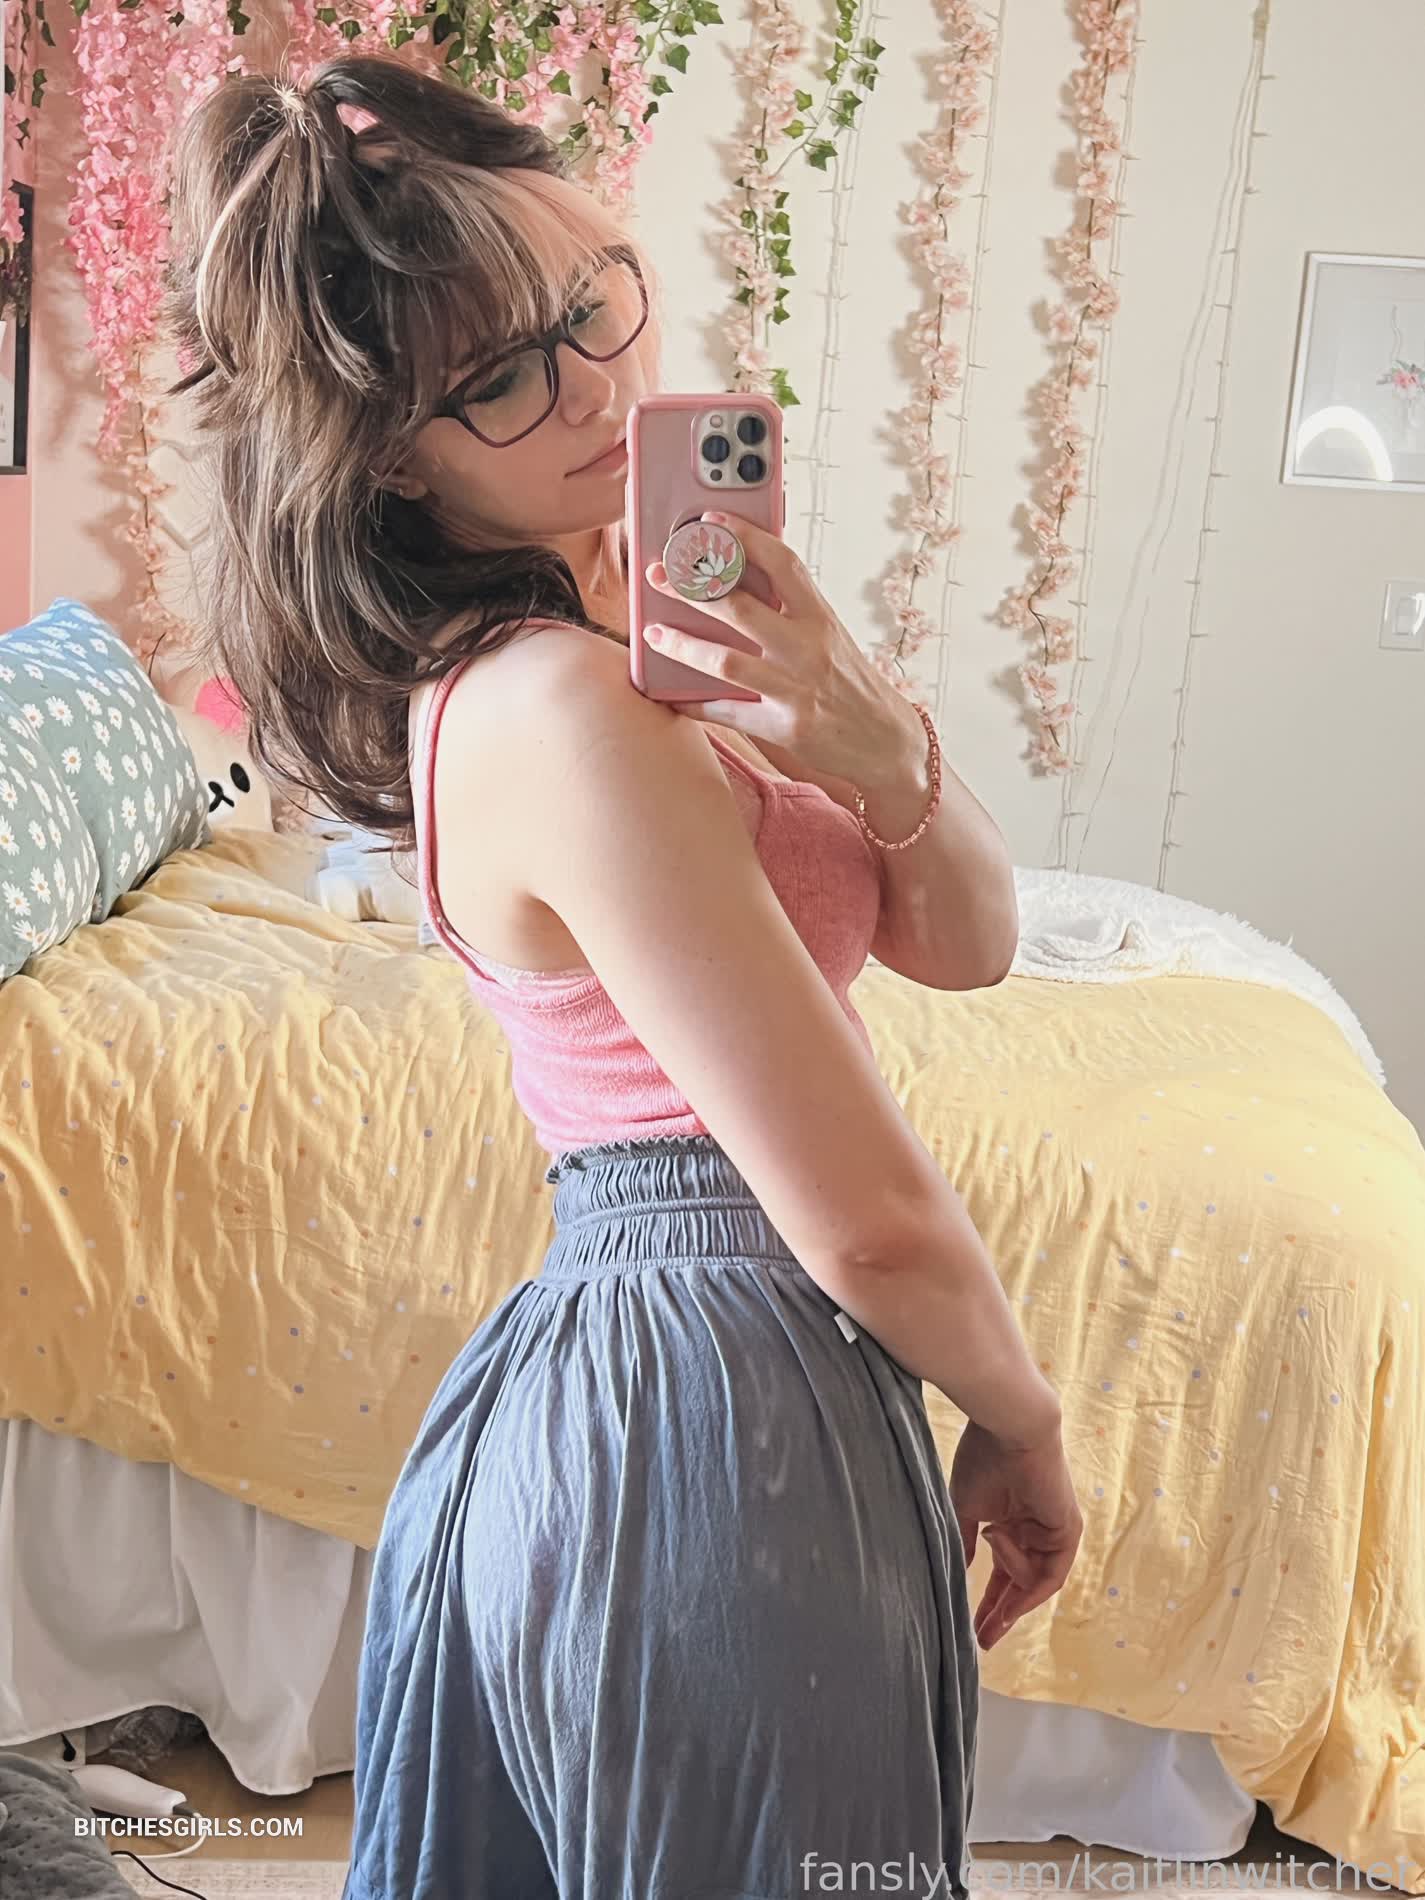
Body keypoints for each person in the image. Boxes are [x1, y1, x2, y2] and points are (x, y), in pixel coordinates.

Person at [163, 49, 1083, 1899]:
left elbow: (969, 946)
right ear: (391, 454)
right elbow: (868, 1222)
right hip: (709, 1408)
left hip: (707, 1382)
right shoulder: (564, 710)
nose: (594, 385)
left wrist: (869, 740)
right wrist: (1026, 1415)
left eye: (591, 300)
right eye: (502, 377)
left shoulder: (641, 644)